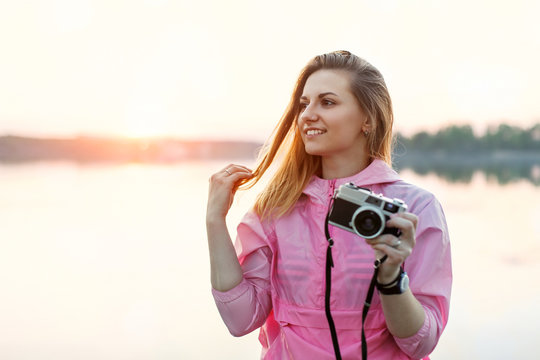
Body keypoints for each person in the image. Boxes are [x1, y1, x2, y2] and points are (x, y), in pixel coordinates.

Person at [206, 50, 452, 359]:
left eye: (328, 102)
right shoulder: (275, 208)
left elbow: (420, 343)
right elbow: (240, 319)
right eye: (304, 104)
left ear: (368, 118)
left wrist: (391, 278)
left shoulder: (415, 208)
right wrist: (215, 221)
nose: (308, 114)